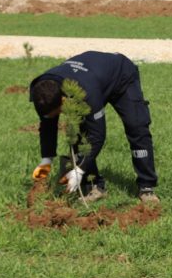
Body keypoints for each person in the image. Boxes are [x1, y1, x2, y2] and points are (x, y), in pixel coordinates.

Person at [29, 51, 159, 204]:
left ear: (63, 100)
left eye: (59, 111)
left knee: (136, 126)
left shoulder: (86, 92)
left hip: (121, 76)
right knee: (80, 133)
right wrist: (47, 158)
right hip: (94, 76)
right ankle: (94, 186)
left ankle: (146, 187)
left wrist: (79, 169)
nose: (60, 115)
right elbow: (47, 125)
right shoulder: (41, 93)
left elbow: (98, 135)